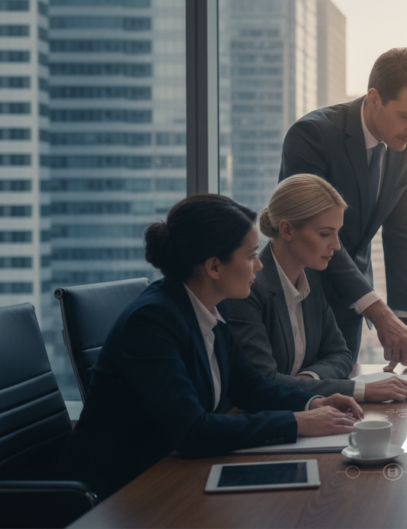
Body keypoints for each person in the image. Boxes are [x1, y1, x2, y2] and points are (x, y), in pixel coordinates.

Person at [57, 194, 364, 499]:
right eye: (250, 256)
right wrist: (296, 422)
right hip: (119, 493)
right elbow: (192, 432)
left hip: (171, 473)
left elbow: (250, 386)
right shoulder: (152, 321)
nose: (258, 266)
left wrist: (312, 404)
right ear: (214, 267)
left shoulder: (207, 308)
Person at [280, 47, 407, 369]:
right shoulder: (312, 136)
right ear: (373, 99)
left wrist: (399, 318)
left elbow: (402, 232)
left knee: (347, 401)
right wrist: (378, 311)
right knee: (301, 395)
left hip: (352, 306)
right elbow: (312, 232)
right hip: (302, 295)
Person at [222, 174, 407, 403]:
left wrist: (308, 379)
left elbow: (340, 354)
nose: (337, 246)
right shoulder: (247, 290)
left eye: (337, 233)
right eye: (325, 234)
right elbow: (264, 382)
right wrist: (362, 391)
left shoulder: (313, 278)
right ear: (287, 230)